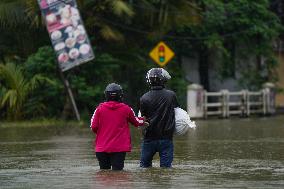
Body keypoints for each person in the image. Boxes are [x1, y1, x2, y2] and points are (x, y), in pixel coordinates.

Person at [90, 83, 145, 170]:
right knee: (118, 175)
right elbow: (137, 122)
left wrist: (103, 134)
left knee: (104, 176)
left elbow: (93, 126)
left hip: (101, 148)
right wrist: (145, 119)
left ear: (106, 95)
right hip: (119, 149)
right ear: (120, 95)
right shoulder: (127, 109)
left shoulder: (99, 109)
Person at [139, 68, 178, 168]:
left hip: (149, 138)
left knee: (144, 167)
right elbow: (177, 112)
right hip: (166, 138)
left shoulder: (144, 98)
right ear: (163, 80)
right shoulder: (171, 95)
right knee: (166, 169)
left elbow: (143, 118)